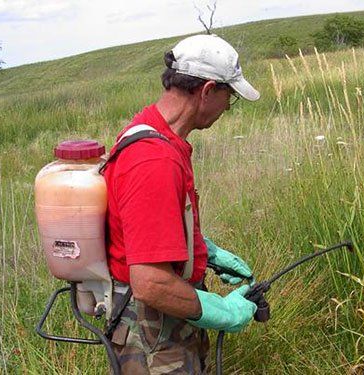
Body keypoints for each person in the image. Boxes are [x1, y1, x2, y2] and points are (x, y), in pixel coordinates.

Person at [102, 34, 260, 374]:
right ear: (206, 91)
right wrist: (222, 311)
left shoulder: (155, 131)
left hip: (158, 323)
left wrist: (207, 253)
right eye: (228, 97)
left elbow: (147, 226)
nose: (226, 109)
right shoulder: (154, 161)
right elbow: (150, 283)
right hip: (151, 335)